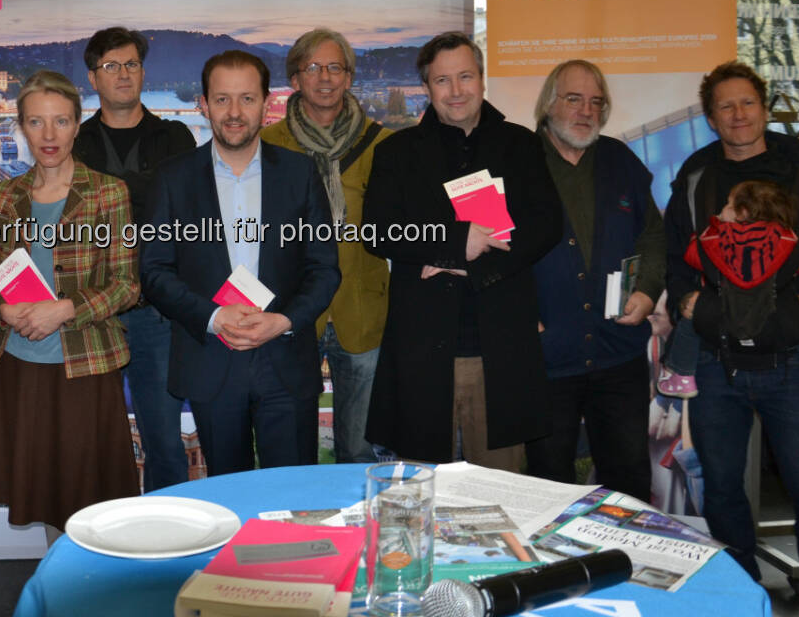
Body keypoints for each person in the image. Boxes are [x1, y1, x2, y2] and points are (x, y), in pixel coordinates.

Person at [666, 61, 799, 617]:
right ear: (710, 118)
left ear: (764, 105)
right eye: (725, 107)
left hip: (796, 362)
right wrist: (688, 305)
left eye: (747, 103)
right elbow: (679, 255)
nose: (738, 115)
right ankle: (739, 605)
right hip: (714, 362)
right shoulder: (697, 175)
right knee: (722, 494)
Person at [362, 32, 560, 470]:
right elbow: (378, 233)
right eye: (442, 81)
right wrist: (455, 244)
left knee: (501, 490)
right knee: (418, 489)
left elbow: (546, 226)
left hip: (500, 350)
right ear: (427, 88)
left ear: (482, 79)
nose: (456, 91)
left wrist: (470, 267)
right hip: (421, 350)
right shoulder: (396, 153)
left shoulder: (521, 145)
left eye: (465, 76)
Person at [141, 51, 341, 476]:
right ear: (204, 103)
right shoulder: (172, 178)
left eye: (247, 99)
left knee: (291, 499)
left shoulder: (300, 173)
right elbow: (155, 271)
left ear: (267, 102)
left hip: (285, 360)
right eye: (222, 99)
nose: (234, 113)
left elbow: (324, 269)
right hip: (211, 359)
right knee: (226, 498)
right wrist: (213, 316)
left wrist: (284, 320)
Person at [0, 70, 141, 536]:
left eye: (60, 122)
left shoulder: (108, 193)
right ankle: (60, 595)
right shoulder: (5, 196)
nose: (49, 135)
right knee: (44, 498)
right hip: (21, 365)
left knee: (90, 502)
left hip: (84, 367)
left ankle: (89, 596)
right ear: (21, 127)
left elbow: (127, 285)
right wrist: (0, 308)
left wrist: (64, 309)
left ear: (77, 125)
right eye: (36, 122)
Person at [525, 59, 664, 499]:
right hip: (545, 360)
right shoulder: (516, 162)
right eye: (573, 99)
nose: (586, 111)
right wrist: (517, 309)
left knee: (628, 484)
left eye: (595, 102)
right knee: (548, 487)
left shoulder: (620, 160)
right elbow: (489, 246)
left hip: (617, 356)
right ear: (549, 104)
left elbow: (654, 236)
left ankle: (629, 566)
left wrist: (647, 289)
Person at [73, 27, 197, 491]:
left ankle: (168, 551)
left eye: (131, 64)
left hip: (157, 314)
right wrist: (146, 193)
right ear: (93, 77)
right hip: (92, 312)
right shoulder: (76, 141)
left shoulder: (175, 137)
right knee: (94, 441)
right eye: (111, 66)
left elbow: (187, 216)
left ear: (143, 72)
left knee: (163, 439)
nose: (122, 74)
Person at [260, 27, 389, 464]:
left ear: (349, 77)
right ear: (295, 80)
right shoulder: (269, 146)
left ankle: (362, 528)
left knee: (360, 447)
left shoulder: (382, 144)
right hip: (293, 313)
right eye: (313, 67)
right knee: (292, 446)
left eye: (336, 67)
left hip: (362, 311)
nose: (326, 77)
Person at [659, 179, 799, 419]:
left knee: (689, 327)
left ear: (742, 212)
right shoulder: (786, 239)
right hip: (777, 316)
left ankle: (683, 377)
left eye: (727, 205)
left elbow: (693, 256)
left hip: (723, 315)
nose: (721, 209)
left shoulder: (717, 239)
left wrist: (707, 230)